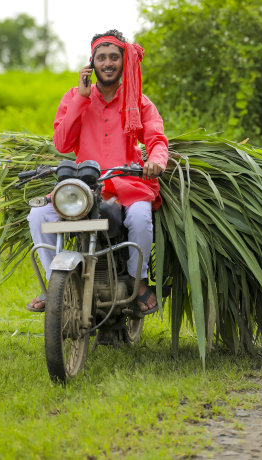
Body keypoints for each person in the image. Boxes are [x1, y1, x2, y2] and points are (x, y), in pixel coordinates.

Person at [27, 29, 168, 314]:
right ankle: (55, 285)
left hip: (129, 183)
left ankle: (138, 282)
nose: (107, 62)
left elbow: (156, 140)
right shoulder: (74, 97)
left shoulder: (137, 100)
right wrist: (80, 98)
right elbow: (62, 143)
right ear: (91, 63)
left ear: (123, 61)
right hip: (85, 186)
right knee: (39, 214)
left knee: (141, 218)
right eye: (101, 57)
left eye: (114, 57)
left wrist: (156, 162)